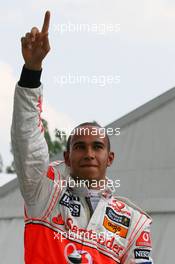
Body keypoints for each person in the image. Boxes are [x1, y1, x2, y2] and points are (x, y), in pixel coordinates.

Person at [11, 11, 154, 264]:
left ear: (109, 158)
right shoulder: (44, 191)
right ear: (67, 156)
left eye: (97, 146)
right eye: (79, 146)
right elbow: (28, 142)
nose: (88, 153)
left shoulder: (134, 222)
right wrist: (32, 71)